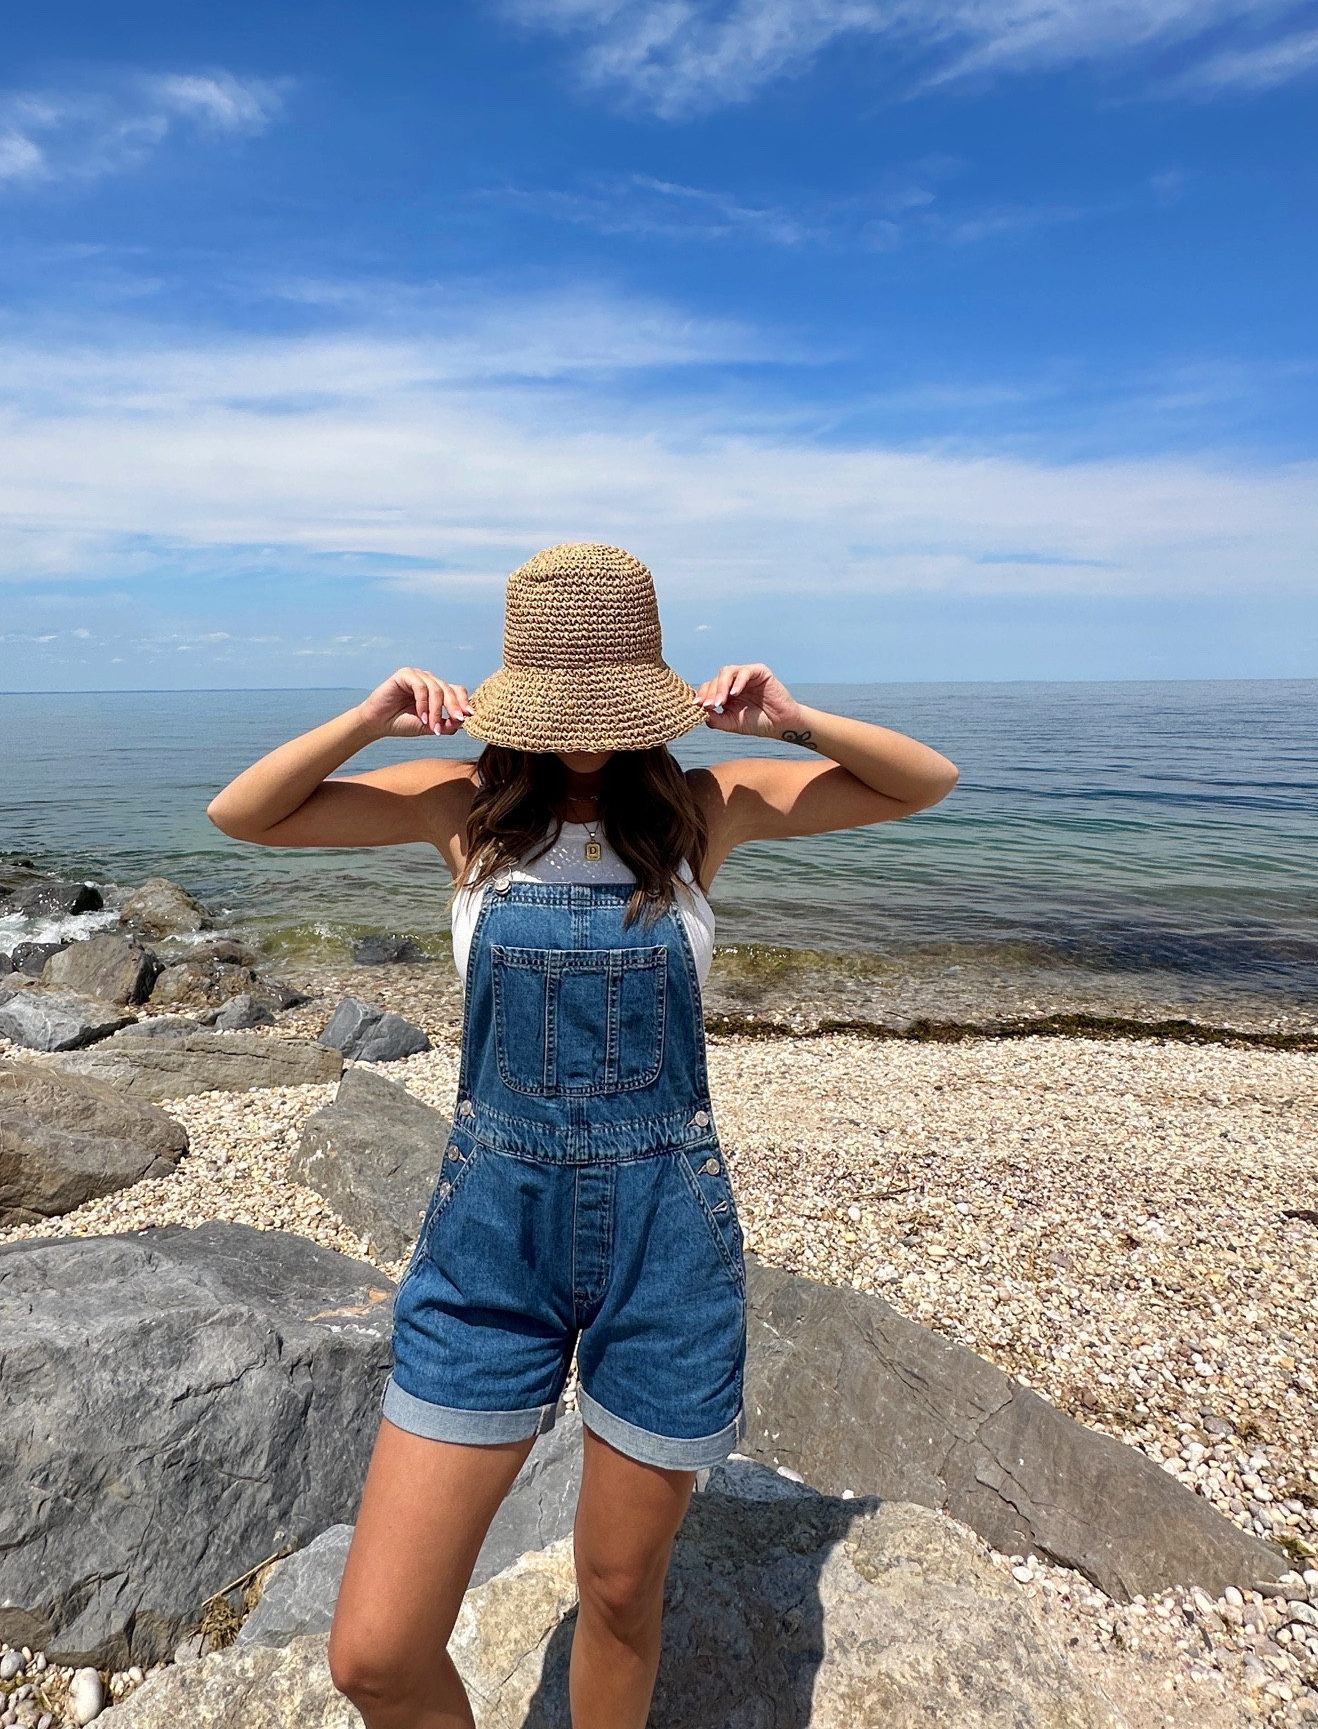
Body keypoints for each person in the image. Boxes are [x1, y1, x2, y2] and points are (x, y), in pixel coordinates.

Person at [207, 542, 958, 1729]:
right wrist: (368, 716)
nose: (587, 735)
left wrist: (795, 715)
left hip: (668, 1237)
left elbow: (927, 781)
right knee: (376, 1649)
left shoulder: (701, 810)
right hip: (487, 1241)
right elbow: (242, 814)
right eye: (566, 704)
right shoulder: (466, 809)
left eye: (608, 703)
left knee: (618, 1587)